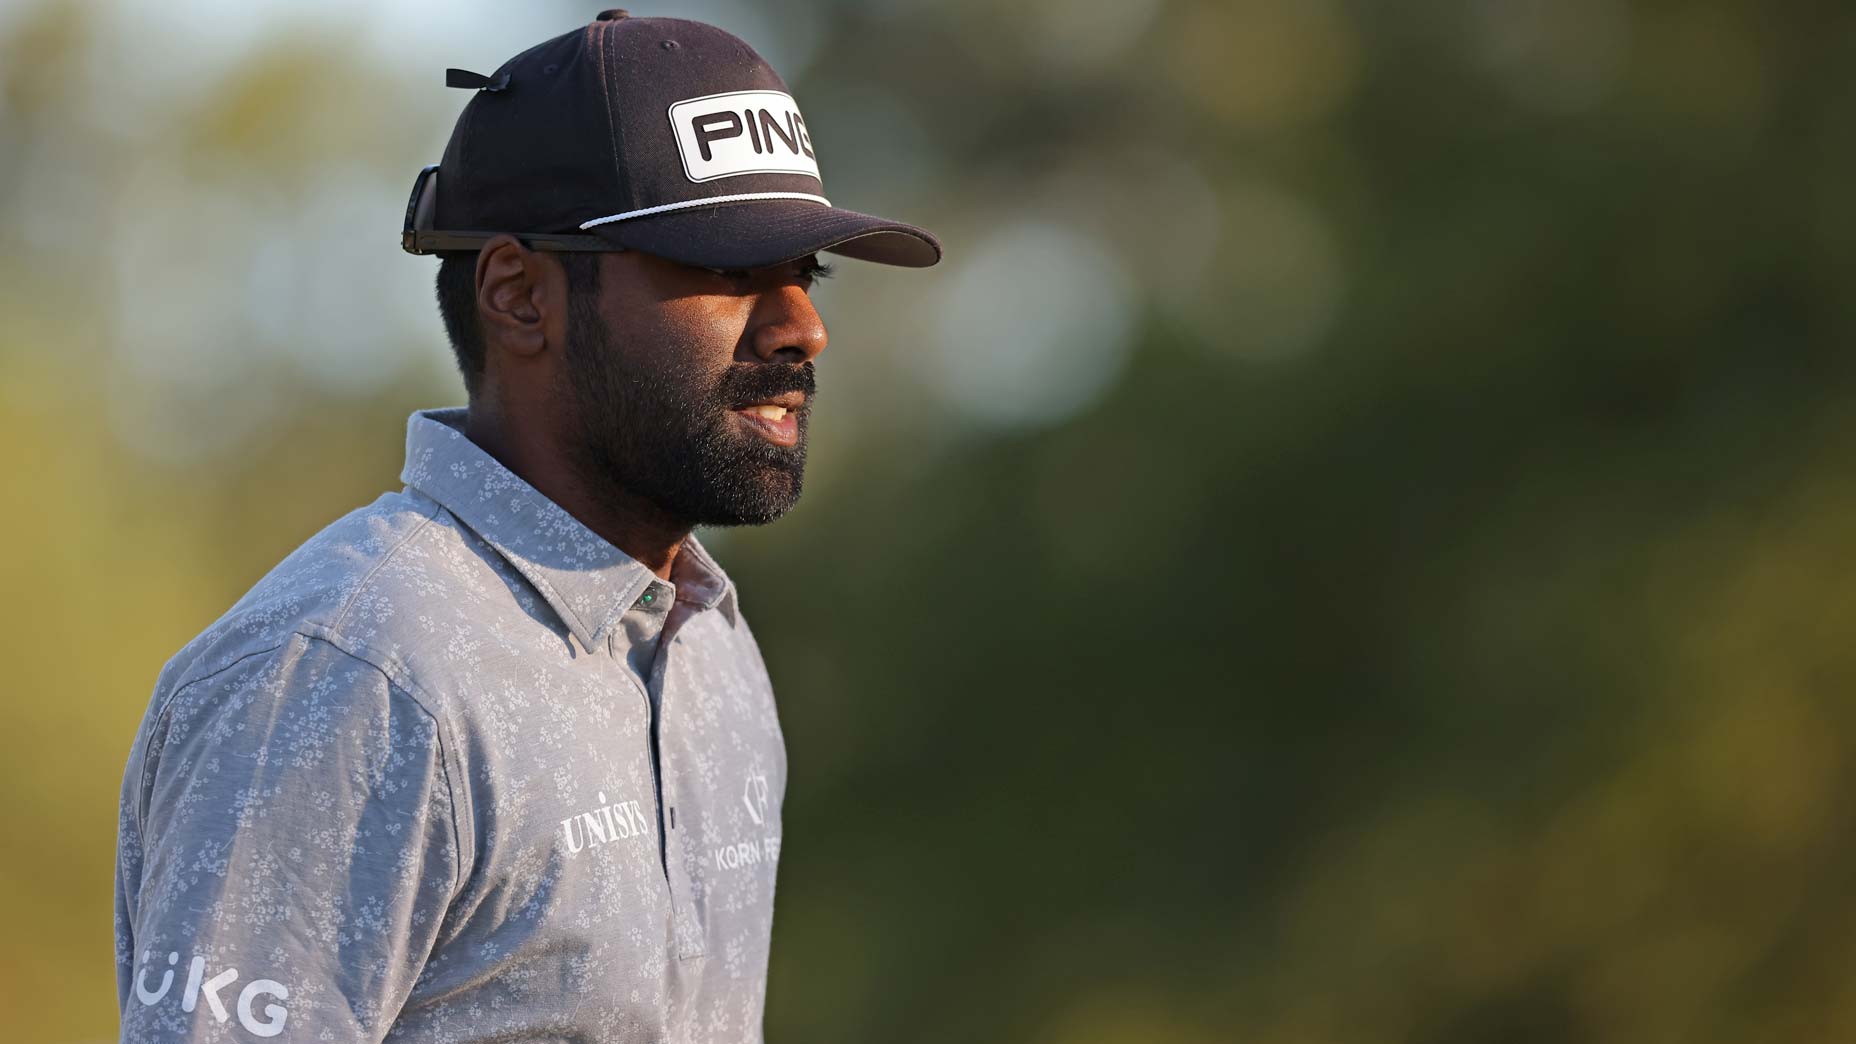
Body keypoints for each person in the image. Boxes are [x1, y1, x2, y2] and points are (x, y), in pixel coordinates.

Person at [113, 11, 939, 1042]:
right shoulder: (351, 675)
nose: (801, 325)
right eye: (727, 269)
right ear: (518, 295)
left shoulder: (709, 646)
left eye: (804, 273)